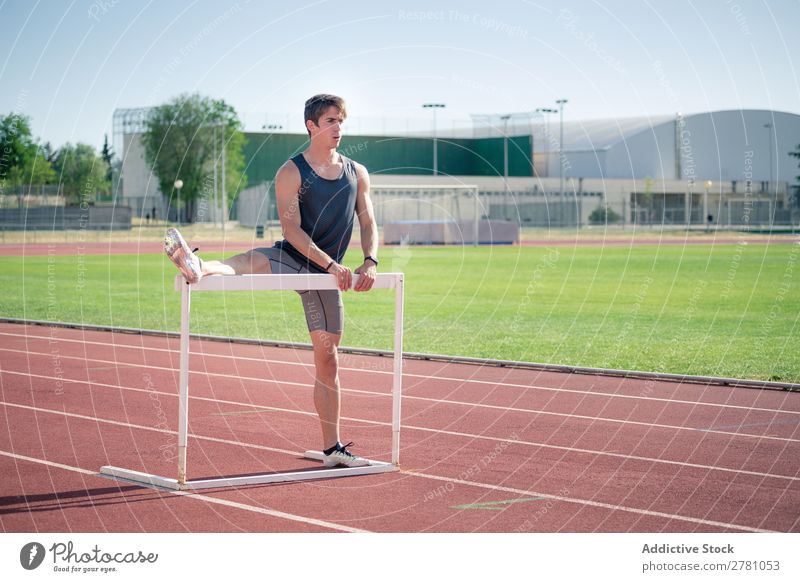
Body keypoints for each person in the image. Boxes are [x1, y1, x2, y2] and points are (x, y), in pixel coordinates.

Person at [164, 94, 379, 468]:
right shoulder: (291, 172)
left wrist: (370, 262)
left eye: (341, 121)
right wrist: (330, 265)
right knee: (248, 260)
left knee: (328, 359)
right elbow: (291, 229)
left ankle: (332, 449)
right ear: (311, 126)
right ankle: (198, 265)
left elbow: (368, 221)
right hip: (295, 259)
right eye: (330, 121)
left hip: (326, 278)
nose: (338, 128)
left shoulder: (356, 172)